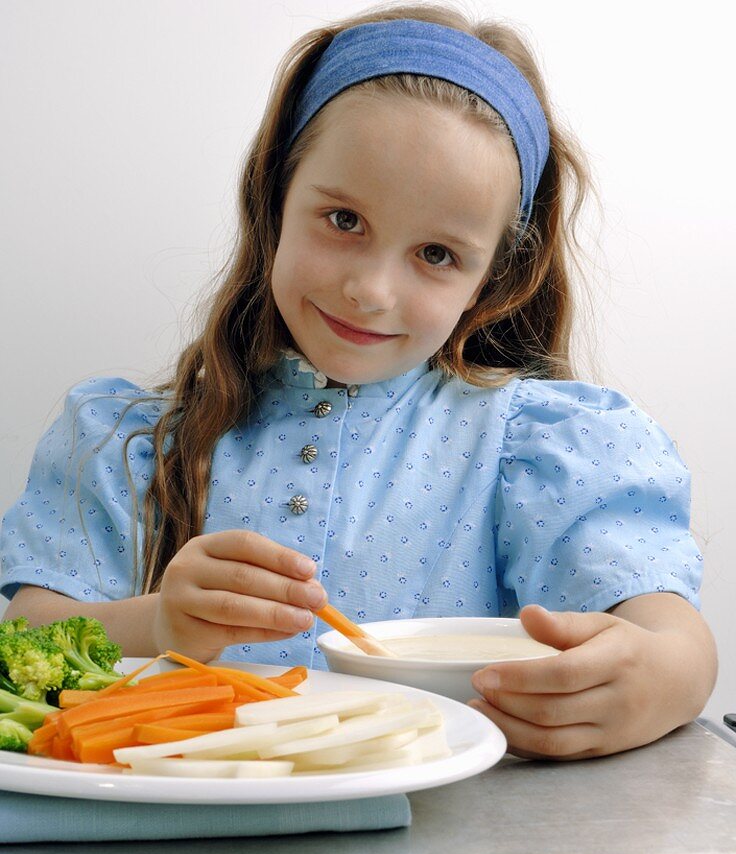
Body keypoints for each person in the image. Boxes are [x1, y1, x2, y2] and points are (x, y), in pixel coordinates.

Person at [0, 4, 717, 760]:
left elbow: (673, 638)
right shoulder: (124, 443)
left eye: (437, 254)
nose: (371, 290)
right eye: (344, 220)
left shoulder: (540, 445)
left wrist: (664, 679)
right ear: (276, 197)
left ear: (489, 281)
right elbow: (19, 647)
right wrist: (159, 626)